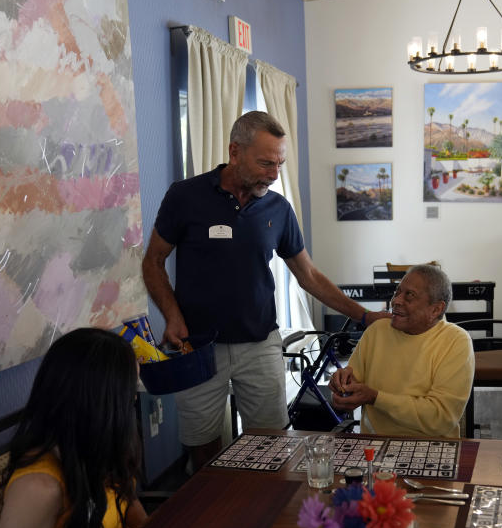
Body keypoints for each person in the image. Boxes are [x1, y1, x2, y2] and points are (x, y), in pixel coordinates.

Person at [142, 111, 388, 468]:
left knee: (272, 447)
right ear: (234, 151)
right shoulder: (185, 196)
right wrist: (172, 315)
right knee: (203, 448)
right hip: (197, 347)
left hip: (259, 345)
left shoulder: (278, 208)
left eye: (279, 164)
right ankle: (214, 519)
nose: (274, 175)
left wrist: (365, 315)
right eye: (265, 163)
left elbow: (309, 276)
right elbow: (152, 261)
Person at [0, 328, 147, 528]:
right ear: (100, 403)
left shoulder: (97, 445)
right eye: (130, 391)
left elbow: (127, 500)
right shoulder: (39, 488)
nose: (135, 399)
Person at [327, 264, 474, 437]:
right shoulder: (377, 331)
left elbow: (440, 418)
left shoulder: (455, 341)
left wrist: (376, 398)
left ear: (436, 309)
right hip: (375, 446)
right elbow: (349, 389)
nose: (395, 300)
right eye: (397, 292)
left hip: (433, 447)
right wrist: (341, 390)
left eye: (409, 295)